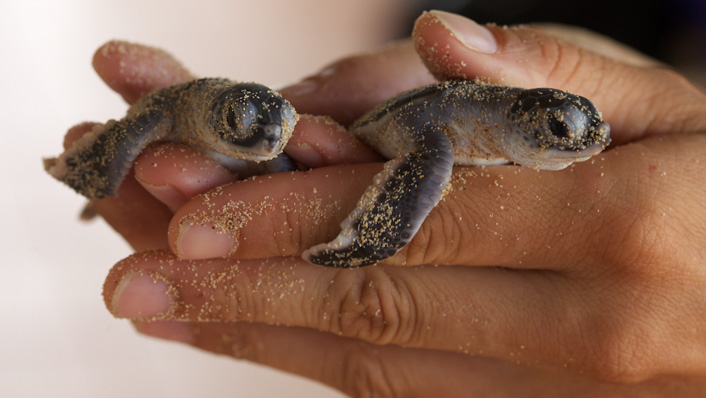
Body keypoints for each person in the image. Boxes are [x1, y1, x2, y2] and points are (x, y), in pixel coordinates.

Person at [69, 10, 706, 396]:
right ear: (524, 118)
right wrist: (370, 239)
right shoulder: (447, 134)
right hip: (377, 134)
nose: (589, 144)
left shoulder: (532, 132)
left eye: (589, 133)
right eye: (567, 133)